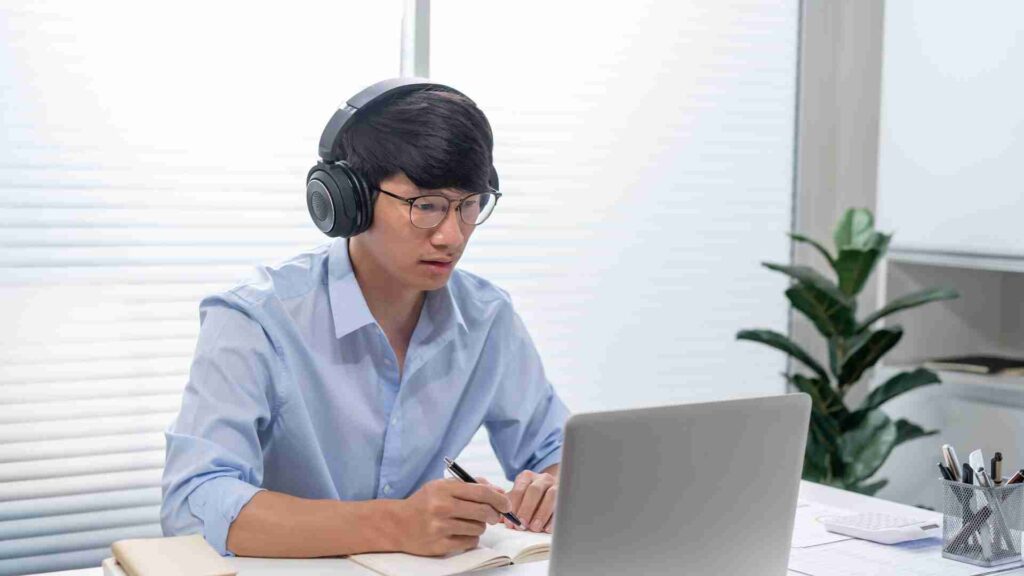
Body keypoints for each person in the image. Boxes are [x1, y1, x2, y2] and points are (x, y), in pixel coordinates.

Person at [160, 79, 570, 559]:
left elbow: (557, 453)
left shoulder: (487, 317)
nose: (451, 236)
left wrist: (553, 488)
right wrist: (393, 524)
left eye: (469, 206)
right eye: (427, 206)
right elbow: (192, 503)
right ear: (347, 200)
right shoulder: (255, 320)